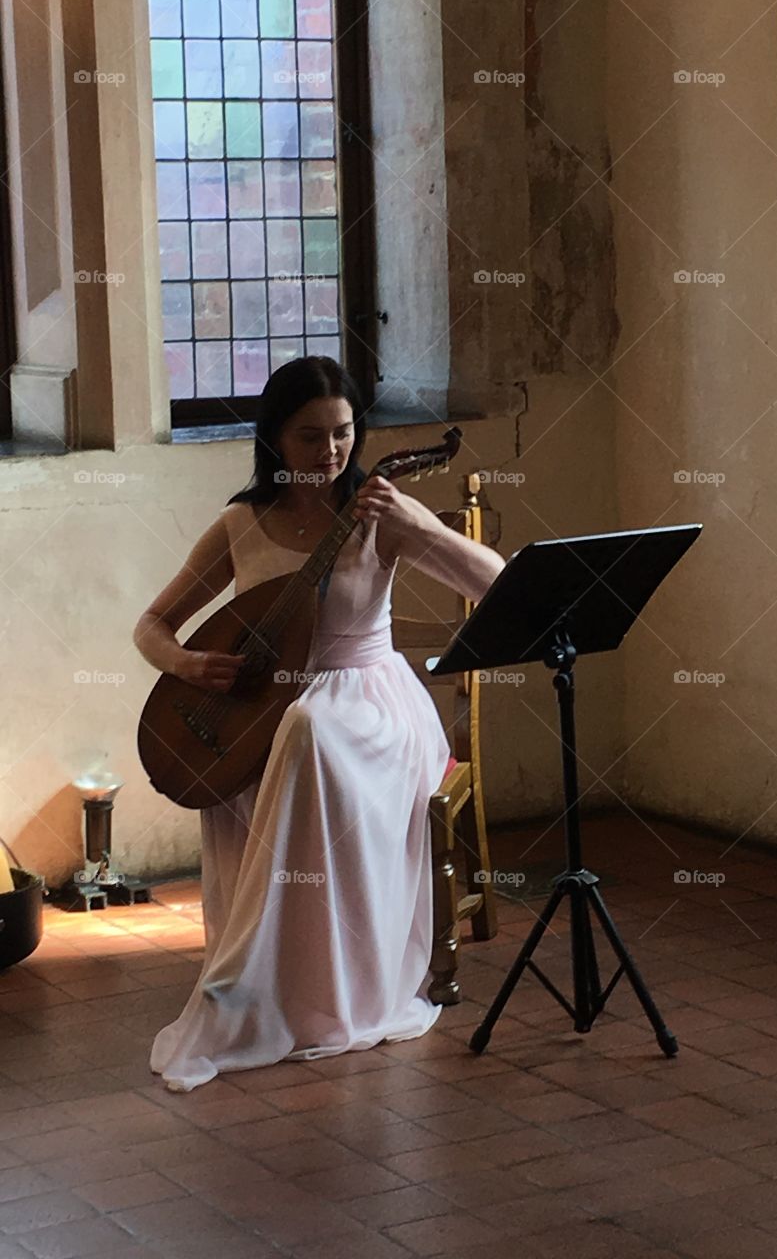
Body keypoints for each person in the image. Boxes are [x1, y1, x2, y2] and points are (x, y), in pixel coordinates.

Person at [133, 356, 505, 1092]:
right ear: (274, 439)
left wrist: (412, 524)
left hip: (372, 711)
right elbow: (153, 624)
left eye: (342, 434)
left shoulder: (381, 512)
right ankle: (268, 980)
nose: (330, 452)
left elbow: (494, 581)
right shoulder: (242, 524)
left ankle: (322, 989)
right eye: (310, 437)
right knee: (291, 731)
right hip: (270, 708)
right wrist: (183, 666)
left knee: (305, 731)